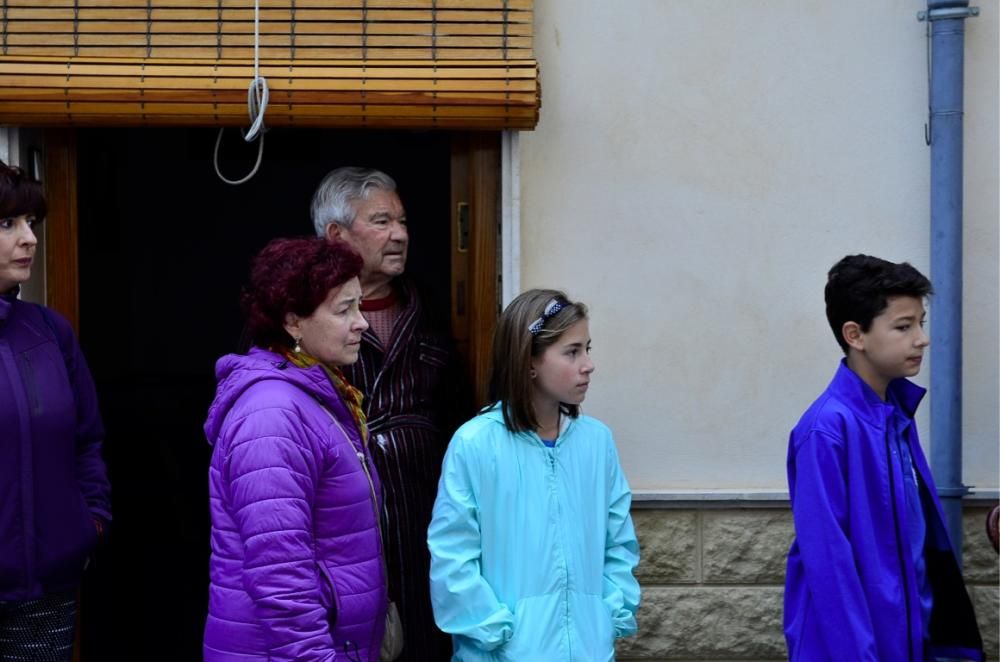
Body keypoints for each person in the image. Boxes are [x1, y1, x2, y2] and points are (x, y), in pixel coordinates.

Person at [784, 254, 984, 661]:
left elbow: (917, 548)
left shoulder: (894, 416)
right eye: (903, 326)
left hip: (907, 640)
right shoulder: (827, 430)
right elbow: (830, 568)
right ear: (856, 335)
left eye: (920, 324)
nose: (921, 339)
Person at [427, 289, 641, 661]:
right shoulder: (475, 444)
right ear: (529, 361)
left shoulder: (597, 443)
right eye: (572, 352)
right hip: (503, 653)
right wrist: (494, 631)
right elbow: (453, 555)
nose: (588, 364)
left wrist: (609, 615)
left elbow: (618, 542)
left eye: (587, 349)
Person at [202, 237, 390, 661]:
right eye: (344, 310)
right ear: (293, 322)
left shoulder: (320, 394)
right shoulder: (272, 416)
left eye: (359, 305)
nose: (361, 322)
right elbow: (280, 574)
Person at [311, 166, 468, 660]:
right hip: (338, 547)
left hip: (425, 535)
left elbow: (459, 418)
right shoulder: (300, 318)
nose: (399, 234)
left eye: (401, 221)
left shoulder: (433, 308)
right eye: (381, 222)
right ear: (337, 235)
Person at [0, 161, 110, 661]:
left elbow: (86, 440)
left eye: (30, 223)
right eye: (8, 224)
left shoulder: (49, 332)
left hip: (45, 589)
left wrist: (88, 522)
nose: (29, 239)